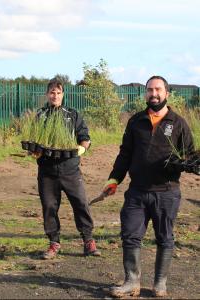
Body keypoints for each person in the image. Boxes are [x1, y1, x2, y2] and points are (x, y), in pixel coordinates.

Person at [102, 75, 195, 298]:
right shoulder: (136, 121)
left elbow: (189, 155)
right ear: (145, 93)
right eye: (150, 90)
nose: (153, 94)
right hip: (137, 191)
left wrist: (188, 164)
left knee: (164, 237)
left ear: (167, 93)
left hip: (166, 192)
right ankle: (131, 281)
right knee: (130, 235)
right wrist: (114, 179)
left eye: (158, 90)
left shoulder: (179, 123)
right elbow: (125, 154)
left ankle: (160, 283)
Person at [34, 78, 100, 259]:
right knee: (49, 207)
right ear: (47, 95)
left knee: (80, 204)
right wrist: (35, 152)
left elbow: (85, 137)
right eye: (52, 93)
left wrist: (83, 148)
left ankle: (88, 241)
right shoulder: (40, 115)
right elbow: (34, 140)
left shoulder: (73, 114)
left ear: (63, 95)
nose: (55, 96)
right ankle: (54, 243)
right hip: (47, 172)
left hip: (70, 170)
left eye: (58, 93)